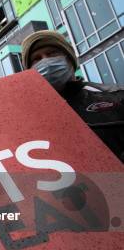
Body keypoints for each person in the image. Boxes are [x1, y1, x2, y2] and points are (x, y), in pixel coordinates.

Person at [21, 30, 124, 163]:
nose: (46, 61)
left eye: (52, 53)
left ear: (69, 59)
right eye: (37, 59)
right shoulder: (30, 119)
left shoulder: (115, 95)